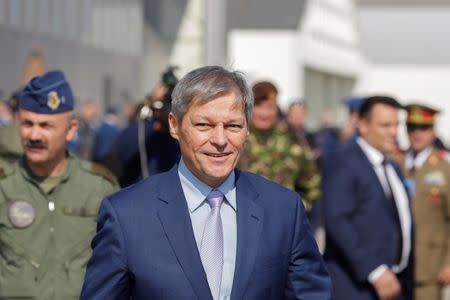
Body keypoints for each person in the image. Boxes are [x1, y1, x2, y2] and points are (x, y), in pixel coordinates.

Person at [80, 66, 332, 299]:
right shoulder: (127, 214)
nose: (220, 139)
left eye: (233, 125)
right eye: (204, 125)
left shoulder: (283, 210)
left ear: (247, 130)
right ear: (174, 125)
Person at [0, 70, 119, 299]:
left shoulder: (100, 188)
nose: (34, 135)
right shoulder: (4, 186)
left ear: (71, 129)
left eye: (45, 126)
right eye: (27, 124)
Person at [323, 95, 414, 300]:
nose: (394, 132)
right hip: (359, 287)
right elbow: (337, 221)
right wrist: (374, 270)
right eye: (385, 125)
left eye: (396, 125)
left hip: (395, 283)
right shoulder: (344, 162)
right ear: (363, 125)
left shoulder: (393, 167)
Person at [395, 103, 450, 299]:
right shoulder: (394, 163)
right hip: (395, 267)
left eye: (423, 128)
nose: (417, 134)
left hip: (429, 268)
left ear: (433, 131)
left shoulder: (445, 169)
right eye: (412, 127)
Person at [239, 81, 321, 211]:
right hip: (243, 219)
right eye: (259, 106)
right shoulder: (238, 137)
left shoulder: (291, 139)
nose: (264, 113)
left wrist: (296, 210)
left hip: (282, 223)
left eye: (270, 107)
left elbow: (312, 184)